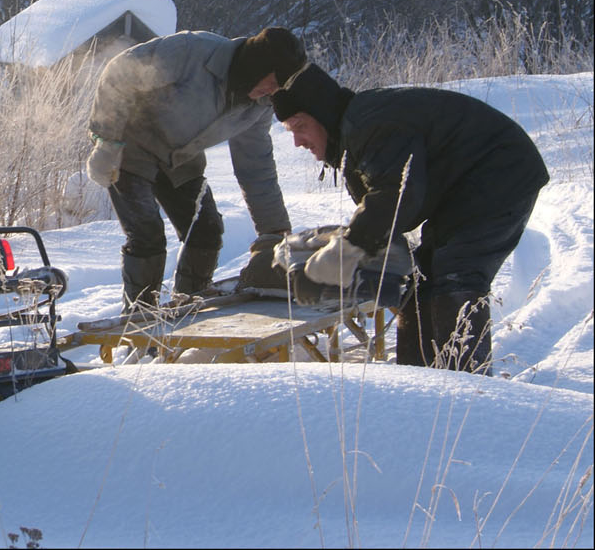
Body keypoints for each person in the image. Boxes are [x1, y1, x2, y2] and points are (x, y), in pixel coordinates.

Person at [270, 64, 548, 374]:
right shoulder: (354, 132)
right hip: (465, 188)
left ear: (320, 114)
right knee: (421, 281)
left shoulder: (370, 125)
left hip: (502, 171)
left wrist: (342, 254)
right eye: (290, 132)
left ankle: (468, 394)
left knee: (456, 271)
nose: (297, 142)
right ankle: (417, 386)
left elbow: (396, 196)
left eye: (299, 126)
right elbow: (386, 217)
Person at [84, 27, 307, 311]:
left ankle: (188, 308)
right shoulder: (192, 51)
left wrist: (274, 231)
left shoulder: (259, 106)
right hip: (129, 148)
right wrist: (106, 141)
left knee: (206, 229)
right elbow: (119, 73)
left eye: (280, 88)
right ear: (256, 66)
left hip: (181, 157)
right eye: (272, 82)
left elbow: (256, 167)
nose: (272, 92)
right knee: (147, 235)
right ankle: (140, 319)